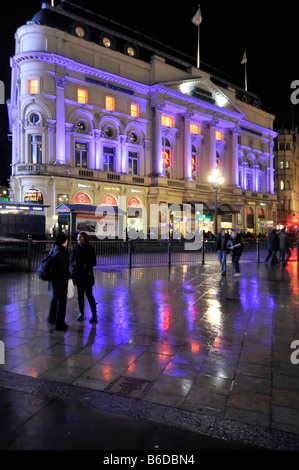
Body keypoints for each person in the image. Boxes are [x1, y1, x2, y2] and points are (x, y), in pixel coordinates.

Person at [71, 231, 98, 323]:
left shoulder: (90, 249)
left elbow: (94, 262)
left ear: (85, 238)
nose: (78, 239)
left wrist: (84, 265)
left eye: (81, 237)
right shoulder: (75, 249)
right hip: (79, 276)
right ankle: (81, 313)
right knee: (80, 296)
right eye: (78, 237)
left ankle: (94, 314)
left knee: (89, 295)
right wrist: (74, 264)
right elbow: (72, 260)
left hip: (87, 276)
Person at [48, 233, 71, 331]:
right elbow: (64, 269)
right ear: (64, 241)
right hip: (61, 280)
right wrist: (69, 276)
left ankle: (51, 319)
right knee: (62, 302)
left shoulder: (53, 249)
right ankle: (60, 324)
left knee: (55, 298)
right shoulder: (62, 251)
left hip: (53, 279)